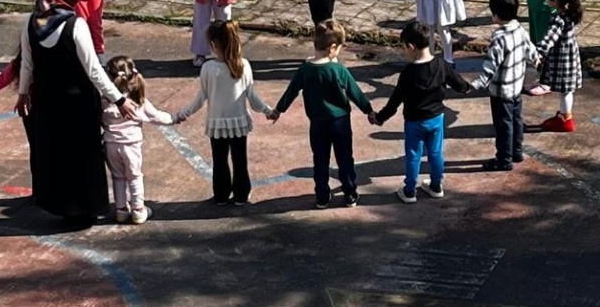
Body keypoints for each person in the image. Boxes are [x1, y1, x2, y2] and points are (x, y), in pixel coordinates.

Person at [15, 0, 138, 226]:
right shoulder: (76, 25)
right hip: (77, 102)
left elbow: (27, 64)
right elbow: (93, 70)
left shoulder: (31, 23)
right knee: (82, 154)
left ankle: (62, 207)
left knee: (55, 152)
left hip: (47, 100)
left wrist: (23, 94)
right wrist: (119, 99)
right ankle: (84, 208)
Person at [268, 20, 374, 209]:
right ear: (332, 48)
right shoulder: (339, 70)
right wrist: (369, 110)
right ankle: (350, 193)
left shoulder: (305, 70)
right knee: (344, 158)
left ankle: (322, 196)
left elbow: (291, 92)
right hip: (340, 122)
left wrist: (278, 110)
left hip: (317, 123)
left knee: (320, 159)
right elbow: (355, 93)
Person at [371, 20, 472, 204]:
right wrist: (467, 88)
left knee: (413, 155)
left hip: (414, 122)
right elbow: (458, 83)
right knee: (435, 153)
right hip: (436, 118)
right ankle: (436, 185)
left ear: (411, 47)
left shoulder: (408, 73)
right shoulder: (441, 64)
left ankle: (409, 191)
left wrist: (379, 118)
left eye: (404, 48)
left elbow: (395, 101)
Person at [176, 21, 272, 207]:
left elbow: (200, 99)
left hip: (217, 124)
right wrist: (268, 111)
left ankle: (221, 195)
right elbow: (252, 96)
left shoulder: (208, 69)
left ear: (213, 44)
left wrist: (183, 113)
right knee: (240, 160)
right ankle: (241, 195)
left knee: (219, 162)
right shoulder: (243, 65)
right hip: (239, 123)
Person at [470, 0, 538, 172]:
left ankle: (503, 159)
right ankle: (516, 151)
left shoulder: (499, 38)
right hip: (516, 86)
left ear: (496, 14)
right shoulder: (520, 29)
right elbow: (531, 51)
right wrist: (539, 63)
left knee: (503, 125)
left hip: (501, 91)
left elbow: (491, 66)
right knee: (516, 120)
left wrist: (477, 84)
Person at [101, 56, 174, 224]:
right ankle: (138, 210)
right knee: (134, 176)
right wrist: (175, 117)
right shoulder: (136, 100)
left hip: (110, 144)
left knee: (118, 177)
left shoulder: (105, 100)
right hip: (131, 145)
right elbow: (156, 116)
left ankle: (121, 209)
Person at [531, 0, 585, 132]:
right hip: (570, 58)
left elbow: (549, 39)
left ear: (555, 1)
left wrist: (537, 53)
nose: (546, 1)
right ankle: (564, 114)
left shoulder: (558, 19)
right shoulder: (572, 14)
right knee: (567, 90)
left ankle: (565, 119)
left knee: (564, 91)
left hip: (562, 61)